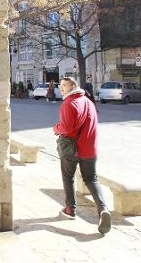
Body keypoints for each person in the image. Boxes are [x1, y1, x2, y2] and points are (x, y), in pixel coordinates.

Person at [53, 76, 111, 234]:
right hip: (89, 148)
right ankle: (103, 209)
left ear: (73, 86)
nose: (62, 88)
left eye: (65, 85)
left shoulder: (68, 103)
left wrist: (55, 128)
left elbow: (65, 128)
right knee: (91, 179)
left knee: (68, 177)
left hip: (71, 147)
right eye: (61, 85)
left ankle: (70, 209)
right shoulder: (89, 102)